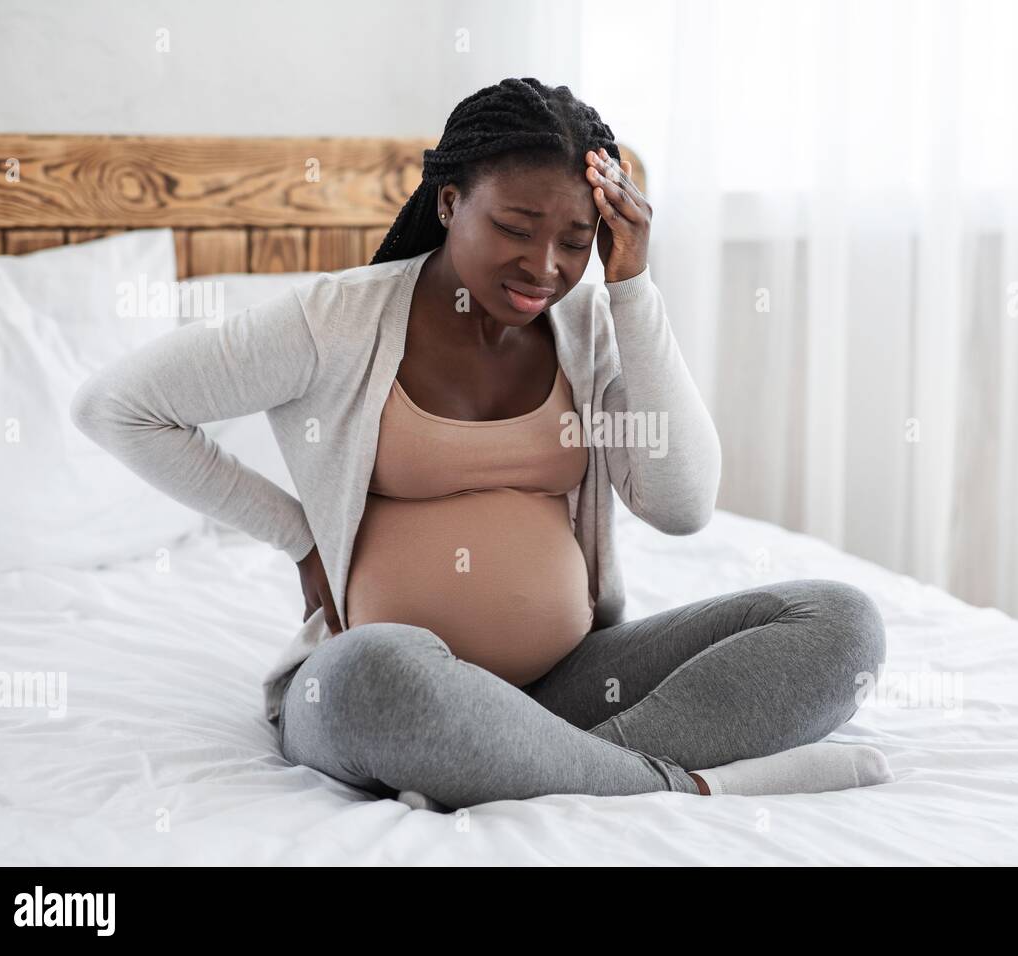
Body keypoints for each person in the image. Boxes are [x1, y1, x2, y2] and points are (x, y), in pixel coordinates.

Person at [72, 77, 893, 812]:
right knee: (374, 675)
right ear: (448, 201)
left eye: (576, 241)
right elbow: (119, 405)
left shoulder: (591, 328)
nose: (544, 266)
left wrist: (632, 287)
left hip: (571, 685)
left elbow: (683, 507)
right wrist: (298, 536)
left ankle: (549, 766)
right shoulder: (336, 320)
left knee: (839, 623)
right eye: (516, 226)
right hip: (385, 690)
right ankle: (684, 784)